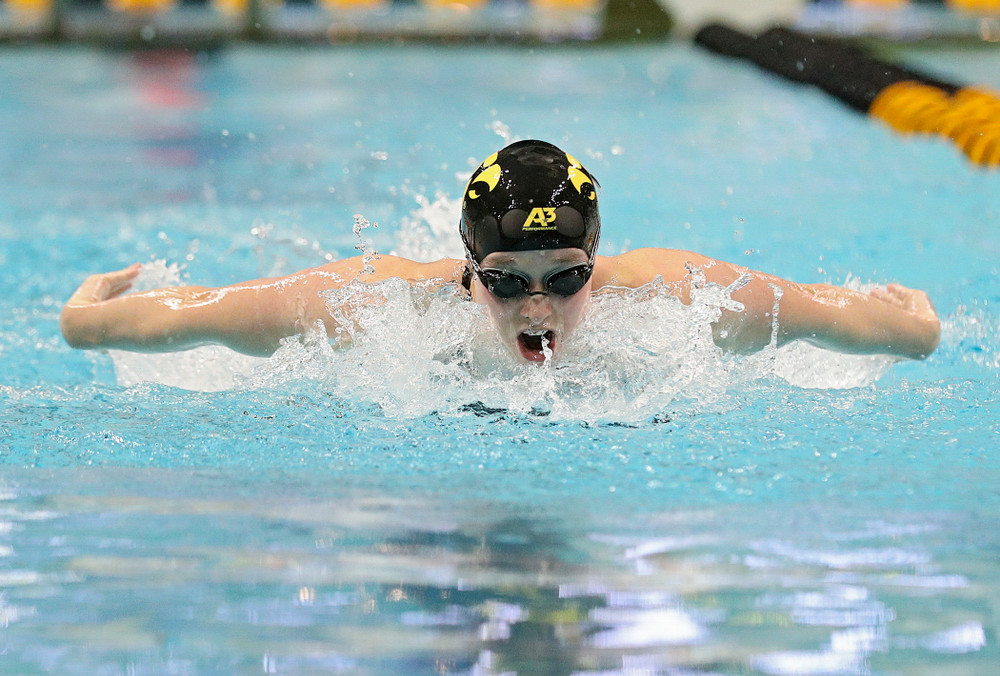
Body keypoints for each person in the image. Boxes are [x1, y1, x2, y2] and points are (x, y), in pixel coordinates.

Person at [60, 140, 941, 364]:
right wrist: (88, 318)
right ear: (465, 269)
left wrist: (916, 327)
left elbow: (842, 318)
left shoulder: (679, 297)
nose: (537, 307)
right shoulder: (375, 307)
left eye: (566, 279)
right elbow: (197, 316)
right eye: (506, 283)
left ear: (599, 259)